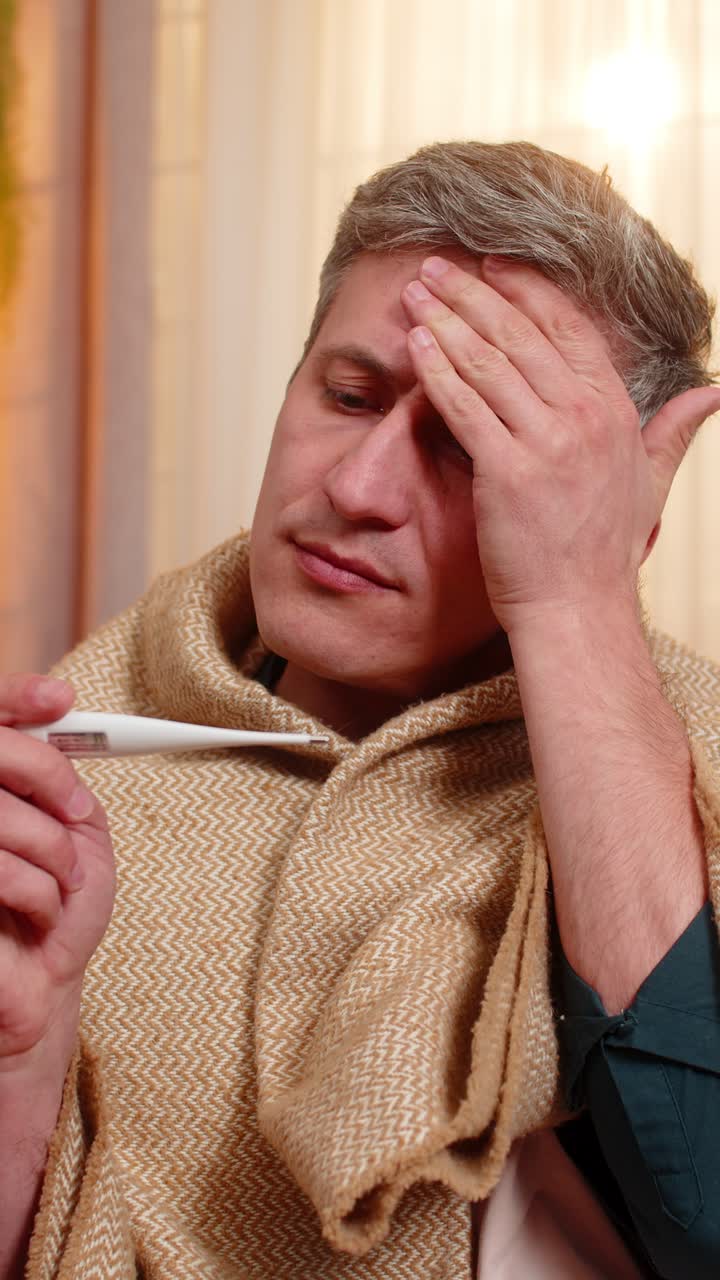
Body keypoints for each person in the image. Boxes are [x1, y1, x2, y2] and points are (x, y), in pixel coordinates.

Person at [2, 140, 720, 1280]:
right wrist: (18, 1061)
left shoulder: (695, 776)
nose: (357, 488)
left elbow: (708, 1211)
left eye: (467, 447)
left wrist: (579, 600)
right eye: (347, 395)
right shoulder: (63, 769)